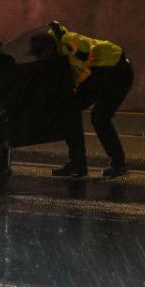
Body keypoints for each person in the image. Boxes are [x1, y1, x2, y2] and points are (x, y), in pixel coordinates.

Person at [47, 21, 133, 178]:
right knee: (71, 110)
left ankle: (118, 164)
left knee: (99, 117)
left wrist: (64, 37)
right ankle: (77, 163)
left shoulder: (67, 39)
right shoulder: (60, 55)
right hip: (102, 72)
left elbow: (84, 50)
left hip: (115, 70)